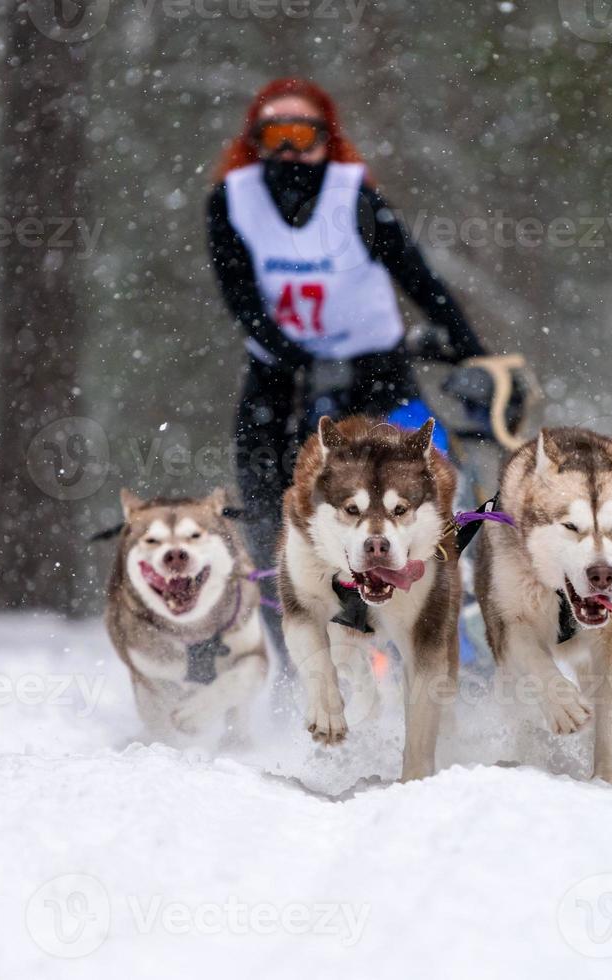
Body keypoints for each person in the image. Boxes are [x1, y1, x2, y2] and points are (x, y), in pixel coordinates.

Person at [207, 77, 488, 652]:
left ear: (326, 139)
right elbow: (239, 296)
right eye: (274, 134)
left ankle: (453, 637)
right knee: (271, 513)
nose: (288, 149)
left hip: (375, 371)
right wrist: (294, 355)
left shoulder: (354, 198)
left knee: (432, 485)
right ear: (255, 140)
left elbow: (418, 277)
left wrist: (472, 349)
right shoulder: (230, 201)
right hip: (280, 379)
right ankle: (297, 662)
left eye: (301, 133)